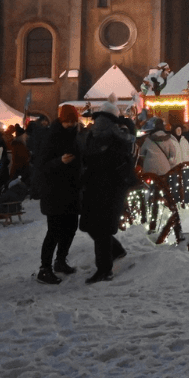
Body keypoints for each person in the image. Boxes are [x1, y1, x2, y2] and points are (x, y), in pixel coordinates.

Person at [79, 111, 136, 283]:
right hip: (95, 190)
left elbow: (112, 167)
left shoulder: (116, 142)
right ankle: (116, 250)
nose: (94, 126)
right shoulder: (95, 141)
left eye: (98, 122)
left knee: (101, 229)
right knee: (90, 226)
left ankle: (104, 270)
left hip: (109, 192)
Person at [37, 104, 83, 284]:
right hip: (54, 192)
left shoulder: (76, 136)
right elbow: (42, 167)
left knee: (71, 228)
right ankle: (44, 268)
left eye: (73, 121)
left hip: (71, 191)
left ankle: (61, 260)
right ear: (62, 120)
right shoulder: (51, 137)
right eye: (67, 122)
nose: (70, 125)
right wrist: (59, 162)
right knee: (54, 231)